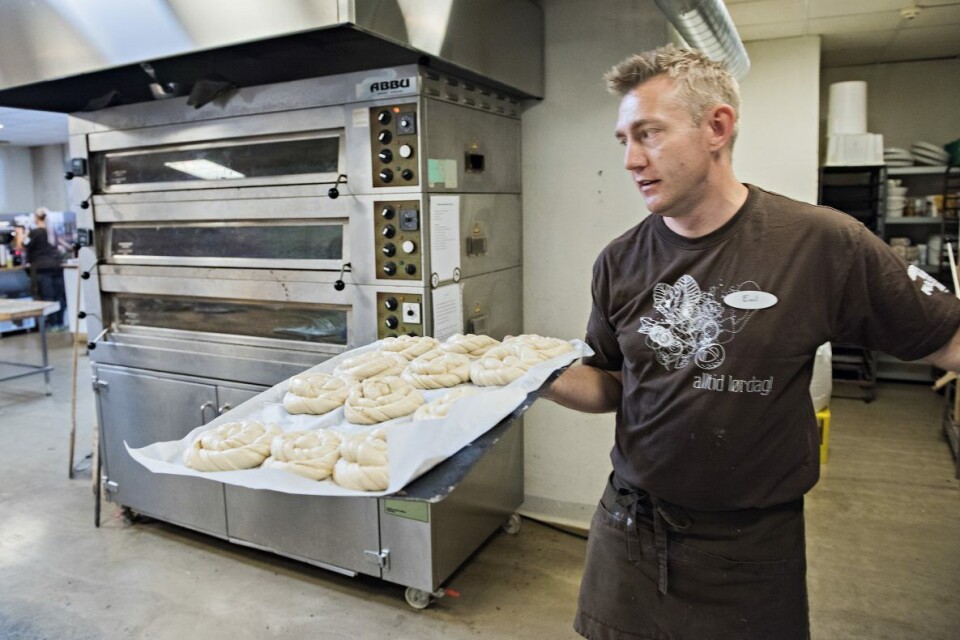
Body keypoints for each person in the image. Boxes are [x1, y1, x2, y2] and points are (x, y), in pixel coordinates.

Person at [544, 44, 960, 640]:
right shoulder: (620, 261)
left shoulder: (820, 243)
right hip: (629, 525)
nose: (632, 160)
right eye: (623, 140)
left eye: (649, 134)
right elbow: (610, 382)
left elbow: (948, 340)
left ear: (717, 127)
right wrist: (532, 375)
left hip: (749, 546)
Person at [24, 207, 67, 329]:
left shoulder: (35, 232)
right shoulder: (52, 231)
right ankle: (60, 322)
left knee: (48, 297)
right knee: (59, 296)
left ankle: (53, 324)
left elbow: (24, 245)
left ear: (37, 218)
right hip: (56, 266)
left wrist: (24, 234)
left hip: (42, 269)